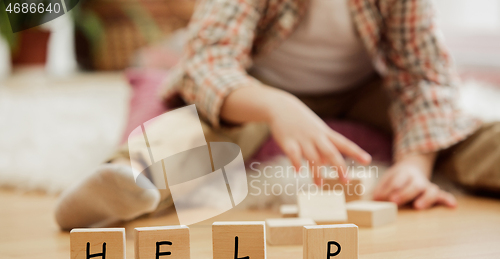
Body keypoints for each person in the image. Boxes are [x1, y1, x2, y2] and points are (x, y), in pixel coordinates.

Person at [55, 0, 500, 230]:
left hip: (362, 88)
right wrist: (275, 105)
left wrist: (415, 164)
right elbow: (208, 61)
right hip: (255, 85)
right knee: (205, 130)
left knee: (453, 127)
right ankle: (129, 179)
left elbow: (422, 75)